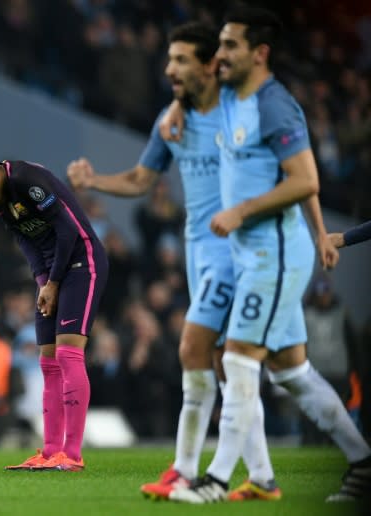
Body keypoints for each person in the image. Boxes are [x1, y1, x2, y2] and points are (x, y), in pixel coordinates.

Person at [158, 7, 371, 503]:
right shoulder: (233, 96)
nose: (219, 56)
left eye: (229, 47)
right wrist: (179, 105)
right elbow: (198, 91)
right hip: (254, 250)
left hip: (272, 252)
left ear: (260, 53)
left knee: (237, 358)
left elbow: (305, 179)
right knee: (291, 371)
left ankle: (213, 479)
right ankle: (361, 462)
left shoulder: (274, 107)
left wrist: (244, 212)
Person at [68, 21, 279, 501]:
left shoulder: (240, 111)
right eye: (169, 59)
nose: (170, 69)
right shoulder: (171, 120)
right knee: (230, 365)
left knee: (197, 351)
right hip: (198, 250)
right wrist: (95, 180)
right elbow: (143, 178)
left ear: (210, 65)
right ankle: (263, 476)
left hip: (235, 249)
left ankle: (185, 469)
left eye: (182, 60)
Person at [0, 160, 108, 471]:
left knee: (68, 354)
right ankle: (50, 452)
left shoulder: (26, 180)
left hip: (81, 263)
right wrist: (42, 283)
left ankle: (72, 455)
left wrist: (53, 282)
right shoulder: (2, 203)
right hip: (51, 275)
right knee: (48, 361)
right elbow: (26, 240)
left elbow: (67, 231)